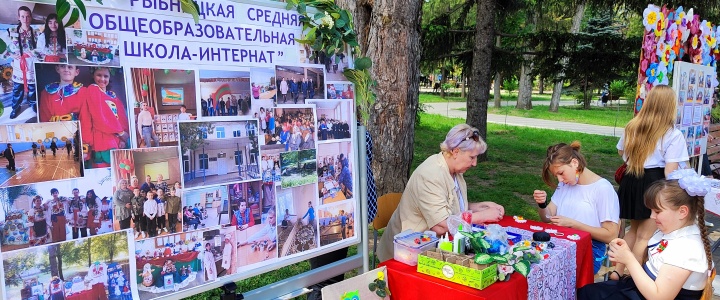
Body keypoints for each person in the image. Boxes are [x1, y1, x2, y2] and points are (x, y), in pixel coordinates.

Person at [376, 124, 505, 263]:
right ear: (456, 152)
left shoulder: (454, 170)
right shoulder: (430, 175)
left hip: (431, 248)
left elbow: (450, 206)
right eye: (472, 157)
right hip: (406, 255)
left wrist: (479, 207)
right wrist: (481, 216)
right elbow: (441, 225)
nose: (475, 163)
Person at [578, 179, 713, 300]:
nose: (652, 216)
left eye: (657, 211)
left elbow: (659, 297)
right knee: (586, 292)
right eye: (651, 211)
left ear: (682, 212)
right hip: (643, 289)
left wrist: (629, 259)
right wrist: (625, 251)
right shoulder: (673, 230)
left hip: (651, 295)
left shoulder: (687, 248)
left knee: (587, 294)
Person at [612, 85, 690, 280]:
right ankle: (634, 280)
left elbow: (621, 152)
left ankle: (616, 272)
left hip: (631, 180)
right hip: (653, 183)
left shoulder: (632, 126)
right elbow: (670, 171)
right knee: (644, 237)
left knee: (633, 231)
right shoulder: (672, 134)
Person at [534, 142, 620, 274]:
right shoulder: (565, 184)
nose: (560, 179)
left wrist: (573, 225)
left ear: (574, 163)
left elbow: (611, 235)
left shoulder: (602, 189)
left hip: (590, 248)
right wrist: (542, 204)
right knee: (533, 262)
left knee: (551, 271)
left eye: (561, 173)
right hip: (563, 242)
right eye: (556, 176)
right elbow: (547, 217)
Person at [85, 67, 129, 167]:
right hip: (103, 141)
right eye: (99, 75)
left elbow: (121, 116)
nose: (102, 79)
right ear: (93, 76)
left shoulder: (112, 96)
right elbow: (99, 117)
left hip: (116, 141)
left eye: (106, 76)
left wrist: (122, 139)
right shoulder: (93, 89)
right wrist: (121, 132)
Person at [7, 6, 38, 119]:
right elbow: (5, 48)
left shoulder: (36, 33)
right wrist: (11, 54)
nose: (25, 19)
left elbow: (40, 49)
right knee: (17, 89)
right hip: (19, 66)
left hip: (31, 65)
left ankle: (34, 104)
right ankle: (15, 107)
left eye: (28, 16)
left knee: (32, 88)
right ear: (19, 17)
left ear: (31, 17)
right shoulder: (11, 31)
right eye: (23, 16)